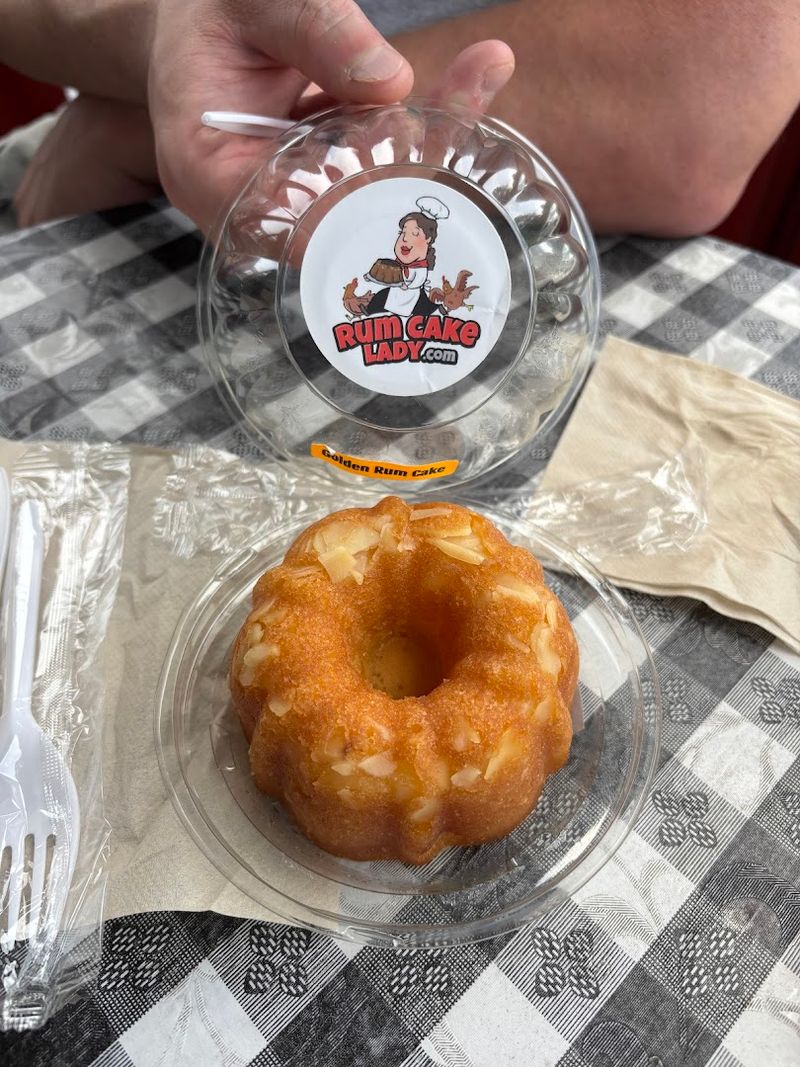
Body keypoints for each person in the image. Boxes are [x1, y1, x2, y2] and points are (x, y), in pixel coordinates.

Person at [1, 0, 798, 237]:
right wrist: (159, 30)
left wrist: (131, 125)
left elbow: (704, 107)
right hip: (151, 210)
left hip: (549, 258)